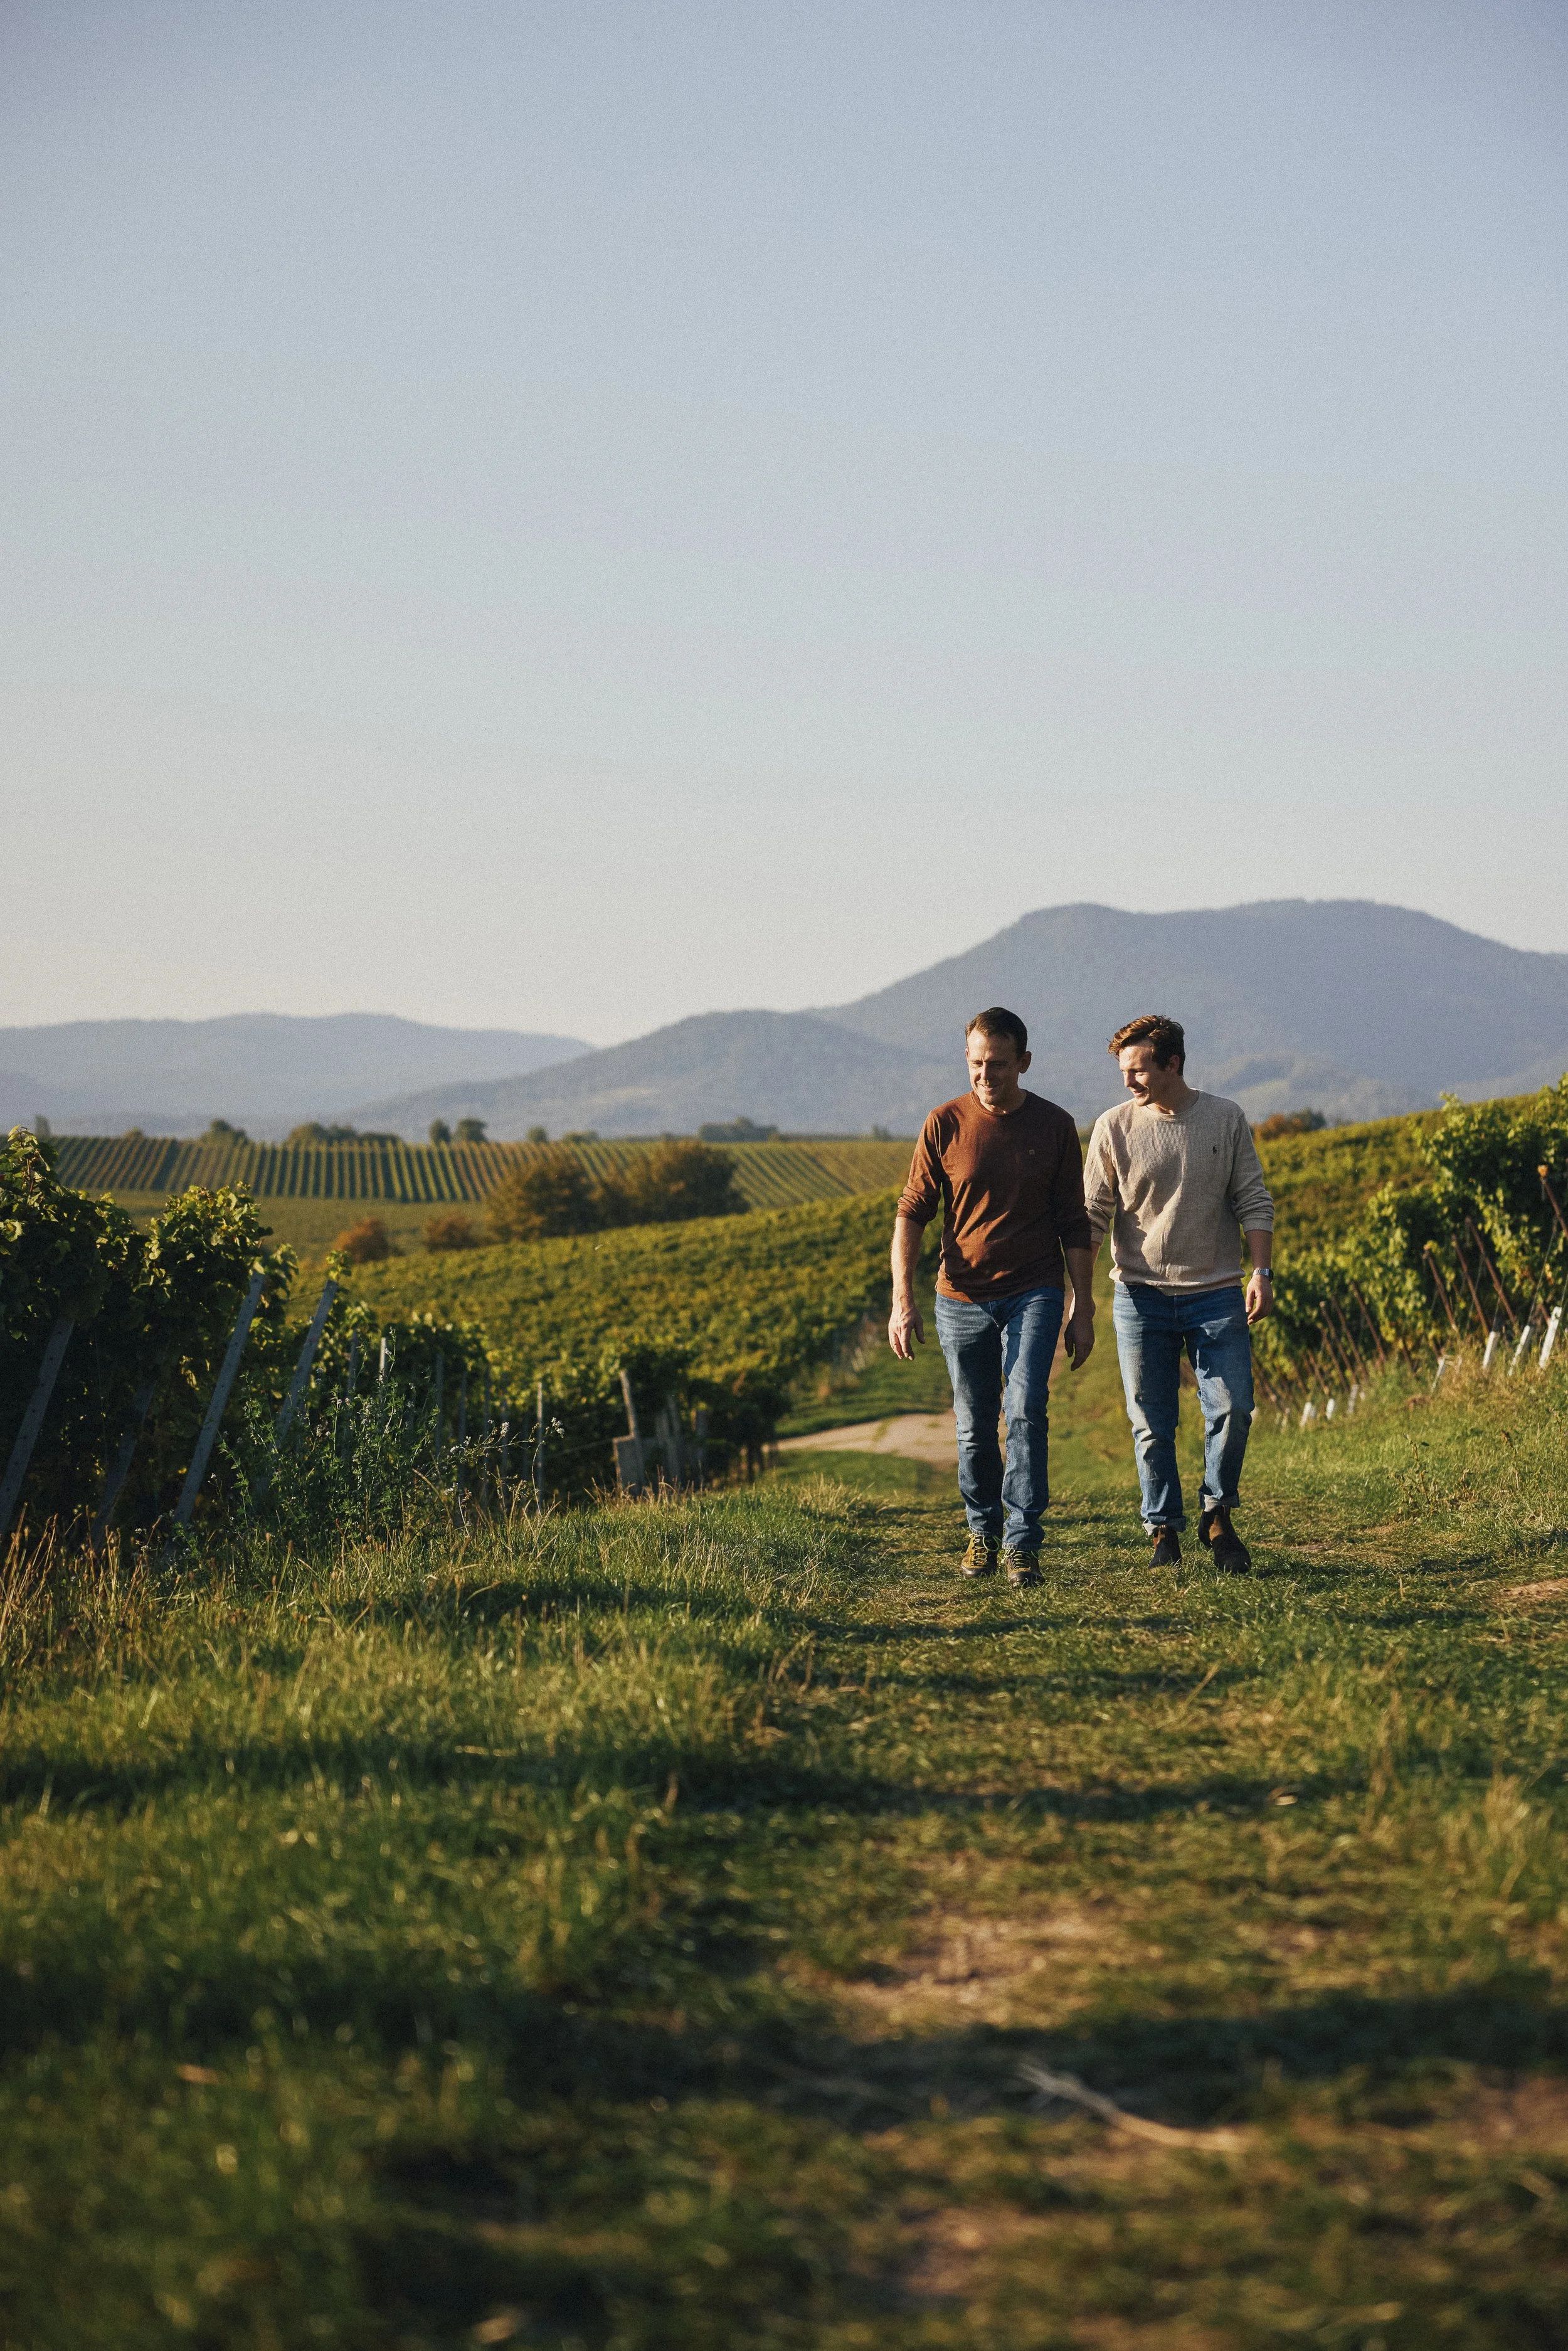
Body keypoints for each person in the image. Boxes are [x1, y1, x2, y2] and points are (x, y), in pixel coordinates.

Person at [889, 1007, 1094, 1586]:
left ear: (1024, 1063)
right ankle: (983, 1530)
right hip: (961, 1297)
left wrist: (1083, 1304)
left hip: (1035, 1290)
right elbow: (911, 1216)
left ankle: (1023, 1541)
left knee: (1026, 1409)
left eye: (998, 1065)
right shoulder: (943, 1124)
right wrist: (901, 1300)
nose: (986, 1075)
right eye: (977, 1064)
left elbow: (1073, 1223)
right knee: (975, 1426)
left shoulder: (1055, 1126)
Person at [1083, 1013, 1274, 1573]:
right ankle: (1162, 1526)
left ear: (1173, 1064)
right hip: (1140, 1297)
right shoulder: (1112, 1127)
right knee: (1150, 1421)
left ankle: (1217, 1512)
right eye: (1123, 1070)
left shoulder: (1225, 1119)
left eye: (1138, 1070)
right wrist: (1076, 1295)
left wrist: (1261, 1274)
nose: (1128, 1082)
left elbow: (1253, 1201)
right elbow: (1092, 1217)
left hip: (1216, 1292)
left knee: (1234, 1408)